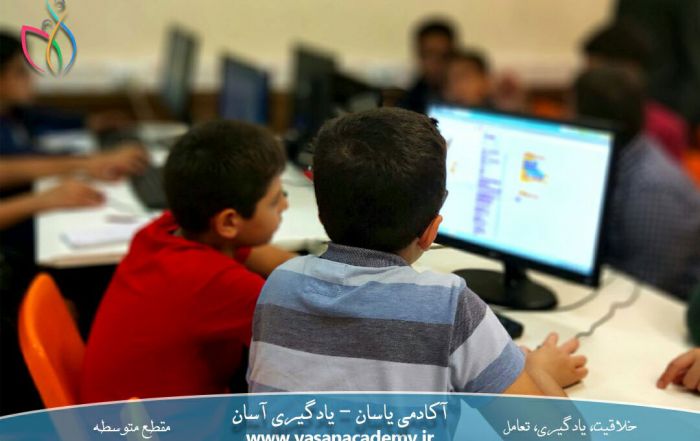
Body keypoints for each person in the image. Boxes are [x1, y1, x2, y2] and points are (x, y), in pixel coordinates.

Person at [248, 108, 587, 395]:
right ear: (430, 231)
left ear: (322, 214)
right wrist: (536, 370)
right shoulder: (448, 306)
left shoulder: (278, 285)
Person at [80, 121, 296, 403]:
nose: (285, 206)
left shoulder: (165, 230)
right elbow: (311, 337)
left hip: (115, 410)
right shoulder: (219, 283)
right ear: (229, 222)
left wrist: (316, 271)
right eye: (275, 201)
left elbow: (268, 258)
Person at [573, 66, 700, 300]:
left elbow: (645, 288)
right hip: (613, 293)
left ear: (587, 118)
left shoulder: (652, 188)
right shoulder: (614, 159)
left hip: (659, 308)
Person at [581, 21, 690, 163]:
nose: (585, 79)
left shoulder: (666, 129)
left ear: (631, 70)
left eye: (595, 72)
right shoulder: (580, 115)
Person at [397, 19, 456, 114]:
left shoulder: (468, 95)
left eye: (444, 56)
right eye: (429, 55)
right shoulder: (409, 104)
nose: (436, 62)